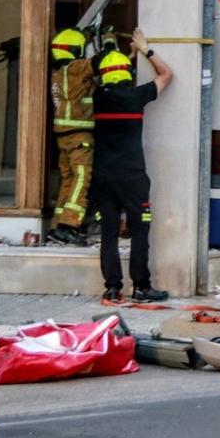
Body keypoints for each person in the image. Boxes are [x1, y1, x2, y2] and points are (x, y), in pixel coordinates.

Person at [90, 27, 172, 303]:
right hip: (132, 177)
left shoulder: (98, 98)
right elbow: (166, 75)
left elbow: (106, 74)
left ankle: (113, 288)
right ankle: (142, 286)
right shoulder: (137, 96)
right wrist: (145, 50)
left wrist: (126, 55)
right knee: (139, 231)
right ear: (127, 73)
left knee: (109, 233)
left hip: (103, 177)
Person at [47, 28, 96, 246]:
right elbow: (101, 62)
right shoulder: (75, 69)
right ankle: (69, 225)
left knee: (68, 180)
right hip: (79, 137)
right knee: (81, 180)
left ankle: (57, 225)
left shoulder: (58, 73)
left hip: (64, 136)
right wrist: (111, 41)